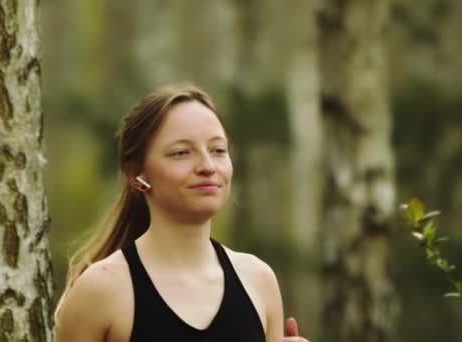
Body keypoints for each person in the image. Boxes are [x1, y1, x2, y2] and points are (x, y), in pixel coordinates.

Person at [55, 83, 309, 342]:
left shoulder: (258, 280)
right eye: (181, 153)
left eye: (218, 150)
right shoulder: (101, 290)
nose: (208, 166)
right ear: (136, 175)